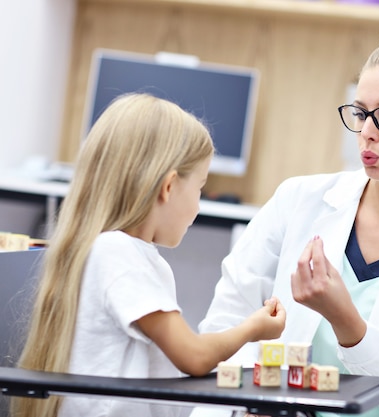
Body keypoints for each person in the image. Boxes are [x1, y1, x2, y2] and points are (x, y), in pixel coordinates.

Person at [195, 30, 379, 417]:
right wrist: (238, 406)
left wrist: (344, 317)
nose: (367, 132)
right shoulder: (298, 200)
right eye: (360, 113)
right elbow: (228, 319)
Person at [12, 93, 286, 417]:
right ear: (169, 187)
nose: (198, 205)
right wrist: (253, 328)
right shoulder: (118, 253)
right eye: (199, 188)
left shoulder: (114, 252)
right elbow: (194, 357)